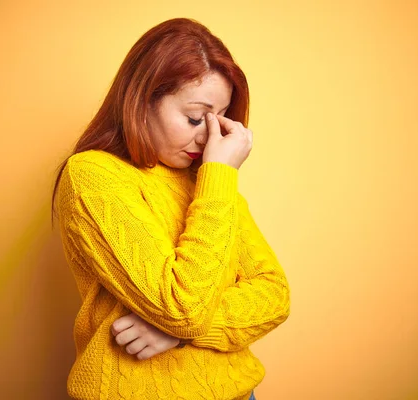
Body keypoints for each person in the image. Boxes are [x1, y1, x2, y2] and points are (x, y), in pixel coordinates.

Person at [51, 17, 290, 400]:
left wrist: (175, 333)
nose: (209, 135)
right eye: (195, 117)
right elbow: (182, 307)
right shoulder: (94, 176)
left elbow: (273, 294)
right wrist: (180, 322)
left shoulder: (209, 181)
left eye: (219, 118)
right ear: (142, 100)